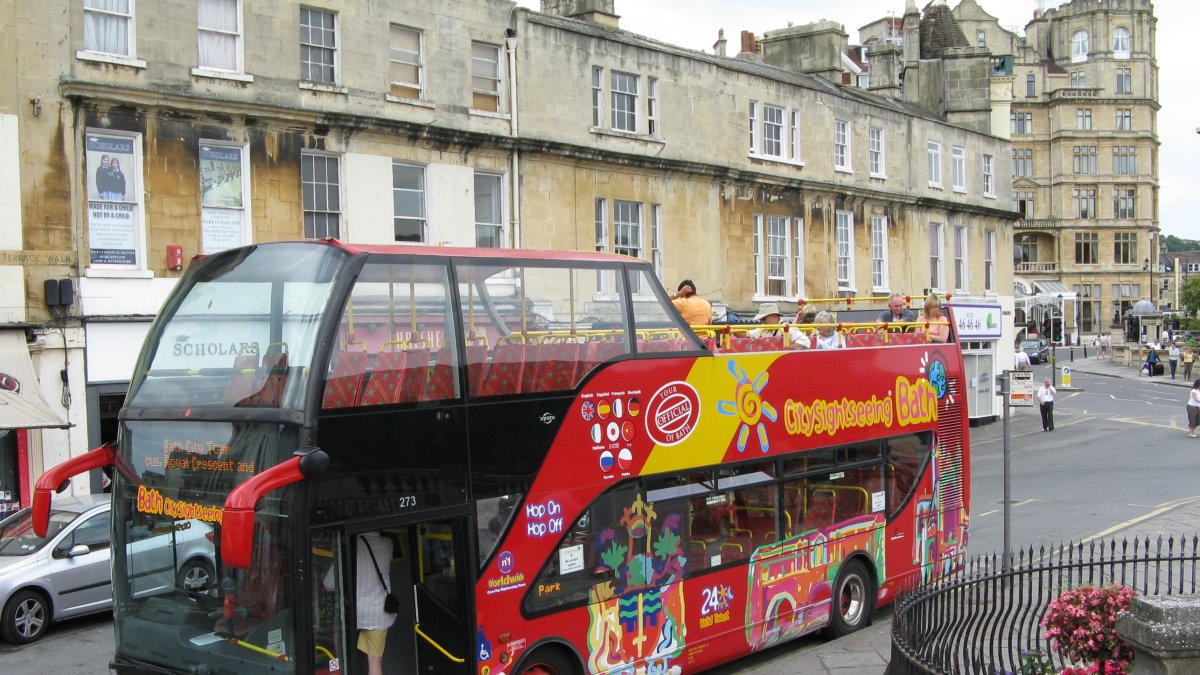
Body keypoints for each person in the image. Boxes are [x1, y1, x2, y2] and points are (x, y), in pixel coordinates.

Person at [349, 532, 396, 675]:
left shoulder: (350, 544)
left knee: (345, 654)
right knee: (375, 661)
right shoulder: (388, 543)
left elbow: (329, 583)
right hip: (379, 613)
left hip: (354, 613)